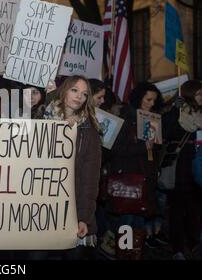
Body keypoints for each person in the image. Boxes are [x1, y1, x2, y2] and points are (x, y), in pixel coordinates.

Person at [43, 75, 102, 259]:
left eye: (84, 94)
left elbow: (89, 180)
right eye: (75, 90)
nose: (79, 97)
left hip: (72, 211)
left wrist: (83, 217)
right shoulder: (40, 121)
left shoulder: (89, 132)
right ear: (64, 91)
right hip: (40, 209)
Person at [109, 81, 164, 259]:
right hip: (129, 179)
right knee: (127, 221)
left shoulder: (152, 118)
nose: (151, 104)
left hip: (146, 178)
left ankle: (135, 254)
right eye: (148, 100)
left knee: (139, 220)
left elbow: (153, 153)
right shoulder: (126, 119)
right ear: (138, 98)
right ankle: (124, 254)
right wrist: (143, 147)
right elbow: (116, 149)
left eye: (154, 101)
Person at [162, 80, 202, 260]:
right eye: (199, 94)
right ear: (189, 94)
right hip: (180, 166)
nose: (201, 97)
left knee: (195, 208)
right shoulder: (178, 112)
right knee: (177, 209)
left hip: (198, 166)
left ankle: (194, 243)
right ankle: (177, 247)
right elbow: (164, 133)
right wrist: (173, 111)